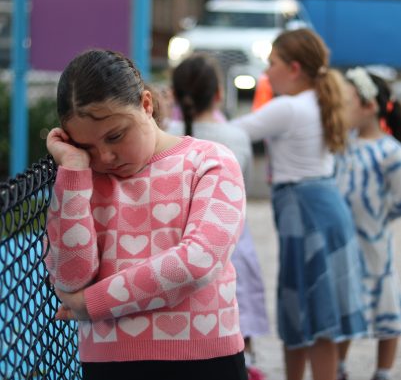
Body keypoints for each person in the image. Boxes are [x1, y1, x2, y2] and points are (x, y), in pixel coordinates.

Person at [45, 49, 248, 380]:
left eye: (115, 136)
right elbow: (71, 277)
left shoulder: (210, 161)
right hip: (109, 365)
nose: (106, 156)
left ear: (146, 104)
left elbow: (198, 261)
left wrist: (92, 304)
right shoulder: (81, 180)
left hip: (205, 361)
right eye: (89, 147)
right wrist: (74, 170)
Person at [231, 28, 367, 380]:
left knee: (314, 312)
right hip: (321, 206)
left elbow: (232, 133)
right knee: (311, 307)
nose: (265, 71)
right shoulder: (317, 100)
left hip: (304, 209)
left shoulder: (288, 108)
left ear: (293, 68)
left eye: (271, 63)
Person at [169, 53, 270, 380]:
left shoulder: (162, 132)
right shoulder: (235, 138)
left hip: (172, 243)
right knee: (237, 309)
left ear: (172, 93)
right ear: (218, 94)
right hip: (231, 245)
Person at [335, 67, 401, 380]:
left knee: (385, 303)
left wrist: (380, 216)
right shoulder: (342, 144)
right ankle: (339, 365)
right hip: (343, 241)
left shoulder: (390, 152)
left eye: (346, 103)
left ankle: (384, 371)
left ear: (369, 106)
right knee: (344, 303)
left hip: (374, 242)